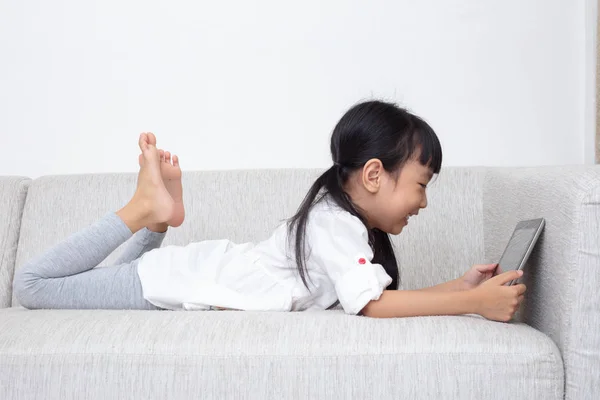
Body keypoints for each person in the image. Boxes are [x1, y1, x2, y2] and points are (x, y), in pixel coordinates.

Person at [13, 100, 526, 321]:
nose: (424, 202)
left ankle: (156, 217)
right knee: (33, 287)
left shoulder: (340, 221)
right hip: (169, 285)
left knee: (95, 277)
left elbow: (375, 296)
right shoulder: (334, 223)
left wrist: (460, 289)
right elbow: (374, 308)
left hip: (185, 273)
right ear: (374, 174)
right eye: (420, 184)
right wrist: (472, 304)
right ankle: (143, 209)